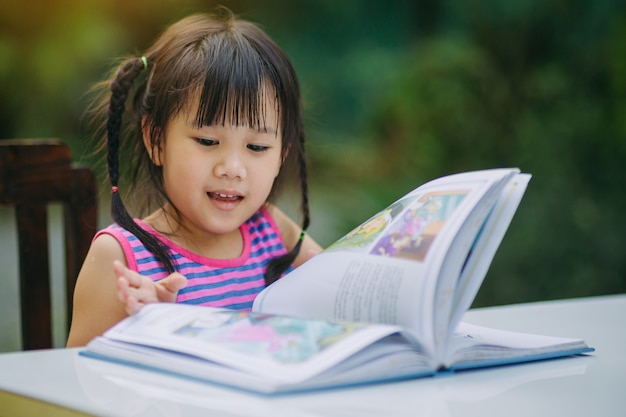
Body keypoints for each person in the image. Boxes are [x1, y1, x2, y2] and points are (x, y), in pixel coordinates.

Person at [66, 9, 322, 347]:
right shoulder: (121, 259)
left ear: (281, 155)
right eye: (207, 141)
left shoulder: (273, 231)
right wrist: (141, 330)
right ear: (156, 141)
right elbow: (77, 381)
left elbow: (341, 291)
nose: (232, 167)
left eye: (257, 146)